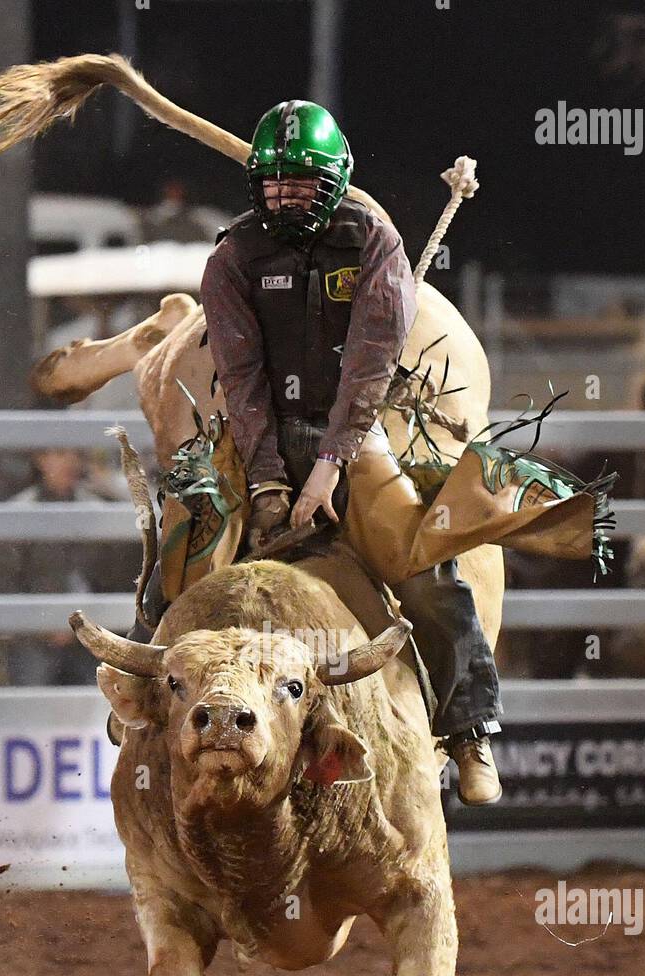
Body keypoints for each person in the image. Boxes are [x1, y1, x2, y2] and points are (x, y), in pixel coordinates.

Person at [197, 101, 502, 804]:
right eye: (274, 183)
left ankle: (468, 730)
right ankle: (146, 706)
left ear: (334, 181)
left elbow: (368, 369)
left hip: (353, 434)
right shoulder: (232, 255)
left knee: (428, 571)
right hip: (254, 436)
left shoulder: (373, 243)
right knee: (183, 561)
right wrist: (270, 480)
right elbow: (239, 379)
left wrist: (329, 465)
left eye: (302, 181)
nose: (286, 195)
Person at [0, 449, 121, 686]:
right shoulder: (19, 514)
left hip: (88, 636)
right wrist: (42, 625)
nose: (71, 461)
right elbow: (6, 583)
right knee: (30, 708)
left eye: (75, 454)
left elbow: (107, 578)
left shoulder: (97, 511)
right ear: (41, 459)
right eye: (61, 454)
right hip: (32, 639)